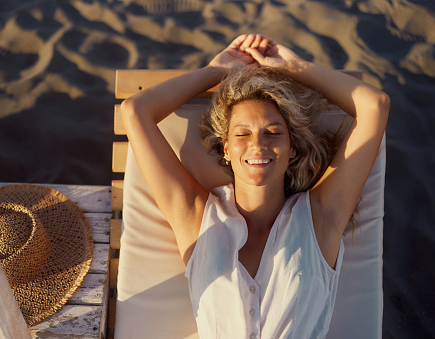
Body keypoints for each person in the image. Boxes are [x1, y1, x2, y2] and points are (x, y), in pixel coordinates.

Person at [120, 34, 389, 338]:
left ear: (292, 149)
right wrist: (216, 72)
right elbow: (134, 112)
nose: (257, 144)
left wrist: (294, 67)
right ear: (226, 149)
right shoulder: (196, 217)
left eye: (273, 132)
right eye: (242, 134)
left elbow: (375, 106)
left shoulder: (319, 219)